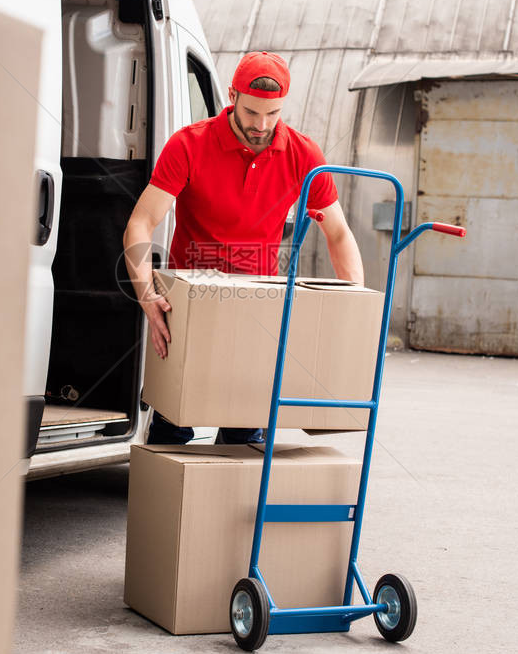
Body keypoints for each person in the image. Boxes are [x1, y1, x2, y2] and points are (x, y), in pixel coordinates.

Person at [123, 51, 364, 444]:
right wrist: (147, 296)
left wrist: (353, 311)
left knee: (244, 436)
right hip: (189, 304)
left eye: (273, 114)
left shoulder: (304, 155)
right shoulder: (189, 145)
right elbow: (141, 222)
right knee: (172, 430)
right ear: (232, 96)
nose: (262, 125)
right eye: (252, 113)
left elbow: (338, 233)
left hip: (258, 305)